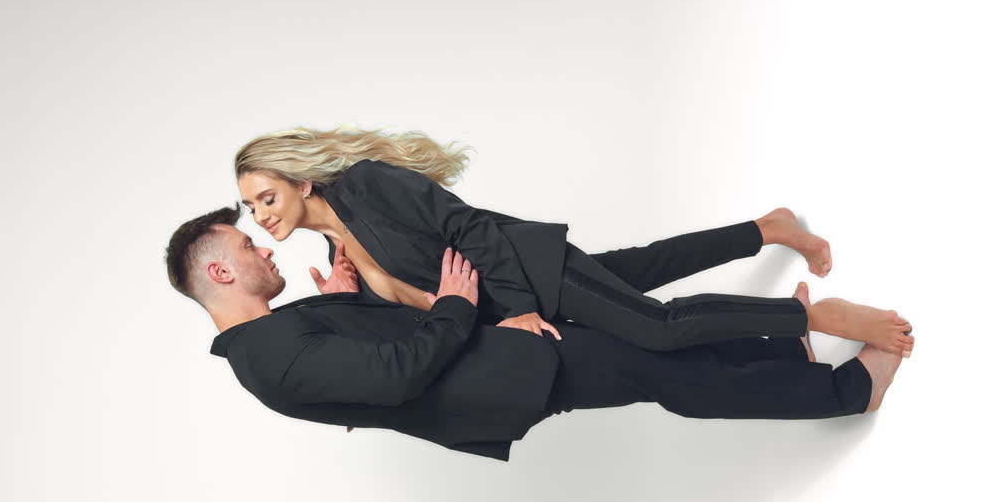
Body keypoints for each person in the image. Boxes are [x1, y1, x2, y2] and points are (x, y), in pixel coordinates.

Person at [164, 206, 905, 462]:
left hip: (504, 357)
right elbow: (394, 378)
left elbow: (362, 377)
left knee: (652, 345)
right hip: (510, 373)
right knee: (669, 373)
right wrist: (455, 303)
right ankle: (847, 390)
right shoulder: (264, 360)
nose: (263, 249)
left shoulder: (272, 340)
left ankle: (783, 351)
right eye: (247, 247)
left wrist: (349, 298)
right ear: (220, 276)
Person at [231, 125, 915, 357]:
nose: (262, 216)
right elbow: (424, 310)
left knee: (661, 329)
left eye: (267, 197)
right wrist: (355, 310)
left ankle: (816, 316)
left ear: (301, 181)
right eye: (251, 209)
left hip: (527, 271)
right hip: (521, 296)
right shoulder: (338, 256)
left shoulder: (367, 184)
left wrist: (521, 303)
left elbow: (466, 226)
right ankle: (768, 228)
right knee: (640, 270)